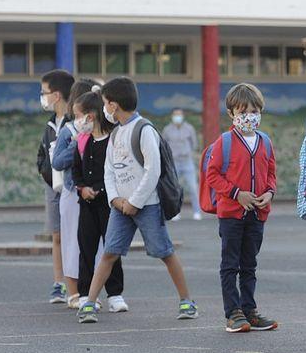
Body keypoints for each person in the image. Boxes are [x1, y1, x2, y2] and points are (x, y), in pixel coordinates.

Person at [76, 77, 197, 321]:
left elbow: (153, 170)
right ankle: (89, 304)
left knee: (165, 252)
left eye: (105, 103)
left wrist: (135, 202)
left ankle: (187, 301)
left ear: (114, 105)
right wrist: (117, 200)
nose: (104, 109)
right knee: (109, 252)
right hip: (121, 207)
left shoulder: (144, 130)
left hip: (147, 205)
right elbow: (109, 171)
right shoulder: (115, 134)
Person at [205, 83, 278, 333]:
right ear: (231, 114)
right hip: (231, 214)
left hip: (257, 214)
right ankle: (232, 313)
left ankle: (249, 310)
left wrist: (269, 192)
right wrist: (237, 194)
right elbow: (212, 175)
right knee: (230, 264)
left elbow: (271, 173)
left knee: (250, 264)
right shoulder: (223, 142)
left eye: (254, 110)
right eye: (243, 111)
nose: (249, 116)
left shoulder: (265, 142)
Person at [69, 90, 128, 321]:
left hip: (109, 205)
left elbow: (117, 172)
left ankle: (115, 294)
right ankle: (85, 293)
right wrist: (82, 188)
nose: (77, 121)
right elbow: (75, 169)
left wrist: (102, 192)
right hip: (86, 204)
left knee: (112, 248)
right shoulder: (83, 141)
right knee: (86, 247)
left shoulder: (114, 139)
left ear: (91, 116)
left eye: (78, 115)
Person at [37, 68, 74, 305]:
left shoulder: (75, 122)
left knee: (76, 236)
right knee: (57, 235)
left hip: (73, 188)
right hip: (53, 188)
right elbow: (41, 157)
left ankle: (77, 284)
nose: (42, 97)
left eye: (44, 92)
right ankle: (58, 283)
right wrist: (49, 175)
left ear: (57, 95)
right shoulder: (50, 125)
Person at [163, 108, 203, 221]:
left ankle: (197, 212)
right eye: (175, 115)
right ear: (172, 116)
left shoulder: (189, 128)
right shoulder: (167, 129)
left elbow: (194, 143)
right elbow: (164, 144)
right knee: (174, 188)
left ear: (183, 116)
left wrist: (188, 152)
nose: (177, 117)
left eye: (179, 115)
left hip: (187, 161)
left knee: (193, 187)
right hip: (174, 162)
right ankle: (175, 213)